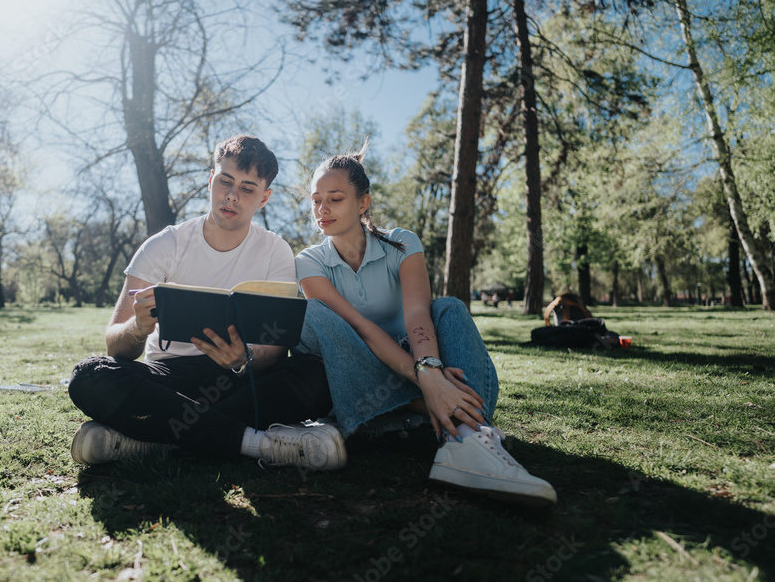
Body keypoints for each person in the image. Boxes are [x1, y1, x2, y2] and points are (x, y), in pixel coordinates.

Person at [292, 150, 556, 505]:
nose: (322, 209)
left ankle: (465, 440)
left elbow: (418, 312)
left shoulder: (402, 243)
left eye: (335, 199)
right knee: (311, 314)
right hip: (360, 377)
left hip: (415, 355)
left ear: (362, 203)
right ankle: (447, 412)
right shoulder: (308, 262)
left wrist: (429, 367)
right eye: (316, 200)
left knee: (448, 307)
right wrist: (426, 381)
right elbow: (359, 328)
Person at [68, 135, 345, 472]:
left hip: (239, 379)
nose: (231, 195)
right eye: (225, 181)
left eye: (247, 188)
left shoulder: (276, 251)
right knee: (89, 376)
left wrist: (246, 357)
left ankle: (143, 440)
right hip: (169, 376)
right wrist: (137, 328)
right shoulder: (164, 245)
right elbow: (116, 345)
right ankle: (258, 444)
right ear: (211, 181)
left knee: (317, 374)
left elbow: (275, 347)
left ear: (264, 198)